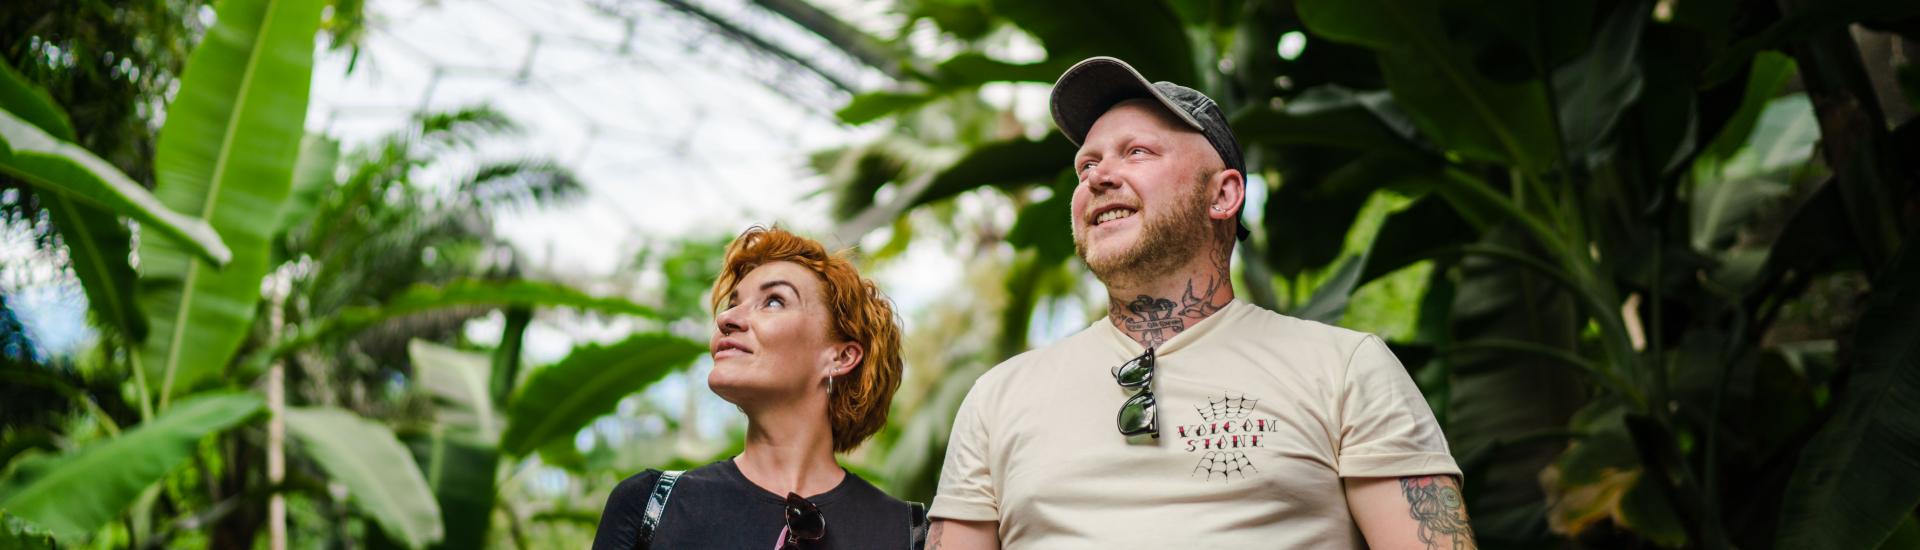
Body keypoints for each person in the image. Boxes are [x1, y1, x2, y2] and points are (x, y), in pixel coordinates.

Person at [925, 57, 1474, 549]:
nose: (1099, 177)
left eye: (1136, 152)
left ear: (1224, 194)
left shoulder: (1345, 368)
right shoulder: (998, 398)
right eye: (1086, 166)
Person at [593, 226, 928, 550]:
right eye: (733, 304)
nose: (727, 319)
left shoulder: (910, 534)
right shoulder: (650, 505)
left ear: (841, 356)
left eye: (774, 301)